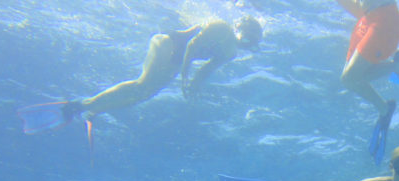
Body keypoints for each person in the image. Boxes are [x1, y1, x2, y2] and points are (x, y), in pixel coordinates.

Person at [18, 17, 263, 132]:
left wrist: (194, 88)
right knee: (142, 85)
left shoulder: (230, 52)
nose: (247, 42)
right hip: (169, 44)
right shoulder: (220, 27)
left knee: (143, 95)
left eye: (251, 41)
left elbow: (205, 71)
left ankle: (91, 107)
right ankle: (79, 106)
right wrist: (184, 78)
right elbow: (191, 46)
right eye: (249, 35)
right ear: (242, 28)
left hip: (177, 60)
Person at [336, 1, 399, 164]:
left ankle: (396, 70)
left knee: (349, 78)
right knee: (350, 76)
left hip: (384, 19)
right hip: (367, 18)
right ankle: (386, 103)